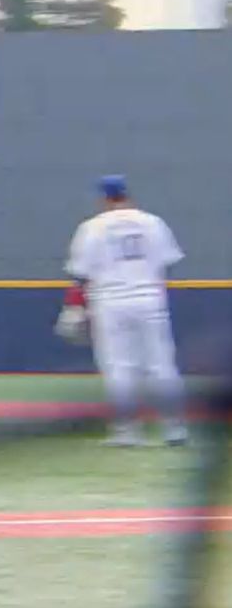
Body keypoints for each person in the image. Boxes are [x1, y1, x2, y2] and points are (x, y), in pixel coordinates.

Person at [57, 174, 188, 447]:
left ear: (104, 198)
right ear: (127, 195)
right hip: (149, 299)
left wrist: (73, 307)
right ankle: (175, 428)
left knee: (119, 367)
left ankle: (127, 432)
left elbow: (81, 274)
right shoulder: (152, 223)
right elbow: (167, 261)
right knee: (161, 364)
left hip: (110, 302)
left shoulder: (92, 227)